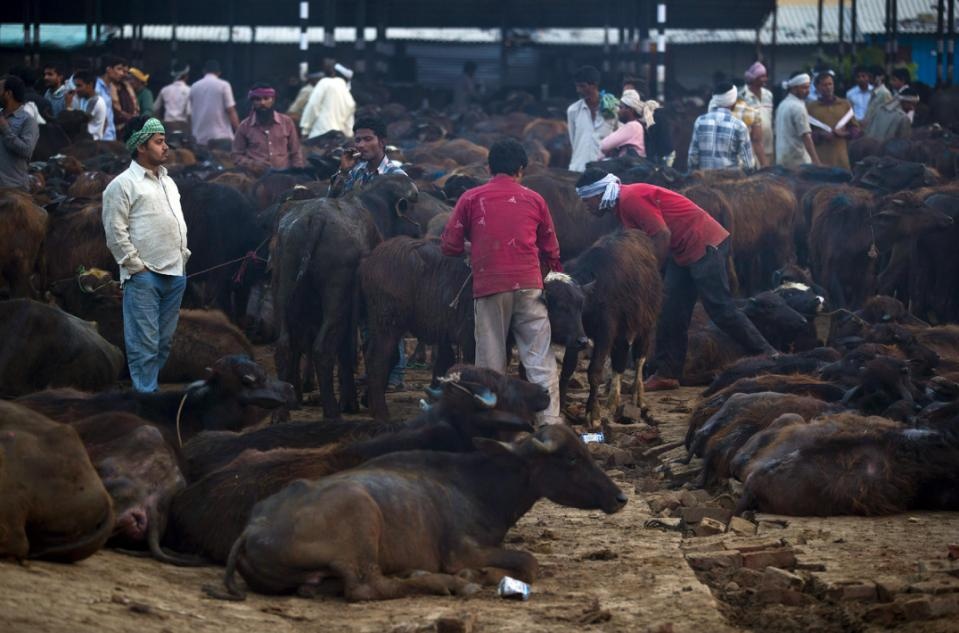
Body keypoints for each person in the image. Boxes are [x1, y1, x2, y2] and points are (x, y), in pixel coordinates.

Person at [574, 168, 777, 390]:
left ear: (599, 193)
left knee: (721, 309)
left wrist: (650, 274)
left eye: (587, 201)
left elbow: (662, 235)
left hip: (704, 243)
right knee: (670, 311)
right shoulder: (621, 204)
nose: (586, 207)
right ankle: (668, 374)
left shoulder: (630, 198)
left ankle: (769, 355)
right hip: (682, 251)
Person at [441, 139, 564, 426]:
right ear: (521, 170)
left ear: (488, 168)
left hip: (489, 287)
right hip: (530, 284)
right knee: (540, 359)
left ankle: (496, 424)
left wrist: (475, 248)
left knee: (490, 363)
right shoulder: (535, 199)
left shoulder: (471, 198)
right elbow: (552, 249)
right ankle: (549, 423)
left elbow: (449, 245)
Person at [102, 115, 190, 393]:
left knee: (163, 342)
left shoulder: (168, 182)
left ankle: (147, 390)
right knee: (144, 342)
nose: (166, 147)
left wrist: (183, 254)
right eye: (159, 142)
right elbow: (115, 232)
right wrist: (135, 266)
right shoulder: (121, 185)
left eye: (165, 141)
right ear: (141, 146)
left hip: (175, 272)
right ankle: (145, 399)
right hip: (145, 276)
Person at [329, 116, 409, 390]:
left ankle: (395, 373)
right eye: (357, 139)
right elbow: (335, 207)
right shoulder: (354, 172)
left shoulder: (397, 175)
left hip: (387, 255)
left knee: (387, 315)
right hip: (356, 252)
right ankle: (376, 370)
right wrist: (342, 172)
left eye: (367, 139)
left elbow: (406, 216)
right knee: (364, 316)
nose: (361, 145)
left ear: (382, 142)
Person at [231, 83, 304, 175]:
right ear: (252, 102)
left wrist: (298, 172)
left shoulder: (287, 122)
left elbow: (296, 152)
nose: (262, 103)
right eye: (258, 99)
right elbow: (236, 155)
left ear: (273, 100)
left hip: (284, 176)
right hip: (255, 178)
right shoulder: (244, 126)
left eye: (266, 98)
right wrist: (254, 165)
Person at [687, 83, 754, 171]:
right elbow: (748, 165)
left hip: (704, 181)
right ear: (733, 102)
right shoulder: (739, 126)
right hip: (730, 182)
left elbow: (692, 157)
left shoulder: (700, 121)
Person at [567, 65, 616, 172]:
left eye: (582, 86)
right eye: (577, 86)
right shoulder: (573, 110)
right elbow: (573, 141)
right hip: (578, 168)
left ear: (594, 85)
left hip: (605, 170)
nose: (578, 90)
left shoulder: (613, 109)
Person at [806, 72, 859, 170]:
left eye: (830, 84)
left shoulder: (845, 105)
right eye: (824, 85)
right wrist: (820, 135)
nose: (828, 87)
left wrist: (844, 133)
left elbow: (855, 130)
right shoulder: (811, 108)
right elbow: (806, 135)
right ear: (817, 88)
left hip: (841, 158)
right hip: (821, 159)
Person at [0, 75, 40, 190]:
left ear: (8, 94)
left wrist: (5, 128)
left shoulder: (28, 121)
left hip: (14, 189)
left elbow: (26, 150)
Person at [300, 59, 356, 139]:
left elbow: (313, 105)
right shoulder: (350, 98)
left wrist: (305, 130)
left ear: (333, 73)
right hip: (338, 141)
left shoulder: (325, 82)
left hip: (319, 136)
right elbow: (349, 129)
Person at [189, 60, 239, 148]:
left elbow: (190, 113)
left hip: (199, 139)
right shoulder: (224, 85)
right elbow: (231, 111)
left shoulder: (194, 86)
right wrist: (239, 132)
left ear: (204, 71)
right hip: (221, 139)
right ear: (219, 73)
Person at [775, 72, 821, 168]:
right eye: (804, 88)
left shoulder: (783, 104)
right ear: (794, 88)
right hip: (798, 161)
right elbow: (806, 136)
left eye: (808, 87)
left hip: (782, 159)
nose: (807, 91)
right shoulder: (798, 107)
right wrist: (816, 161)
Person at [739, 61, 774, 167]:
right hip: (751, 147)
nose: (765, 79)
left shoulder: (768, 95)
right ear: (753, 78)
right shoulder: (742, 96)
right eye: (762, 77)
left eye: (765, 76)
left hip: (768, 146)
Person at [599, 89, 646, 158]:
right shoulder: (636, 125)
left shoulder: (633, 126)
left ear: (630, 109)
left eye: (621, 107)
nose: (618, 111)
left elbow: (604, 145)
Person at [67, 69, 108, 140]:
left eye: (79, 86)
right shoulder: (84, 99)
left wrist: (68, 105)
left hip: (91, 144)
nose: (76, 89)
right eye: (76, 86)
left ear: (90, 85)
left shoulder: (95, 101)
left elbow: (78, 122)